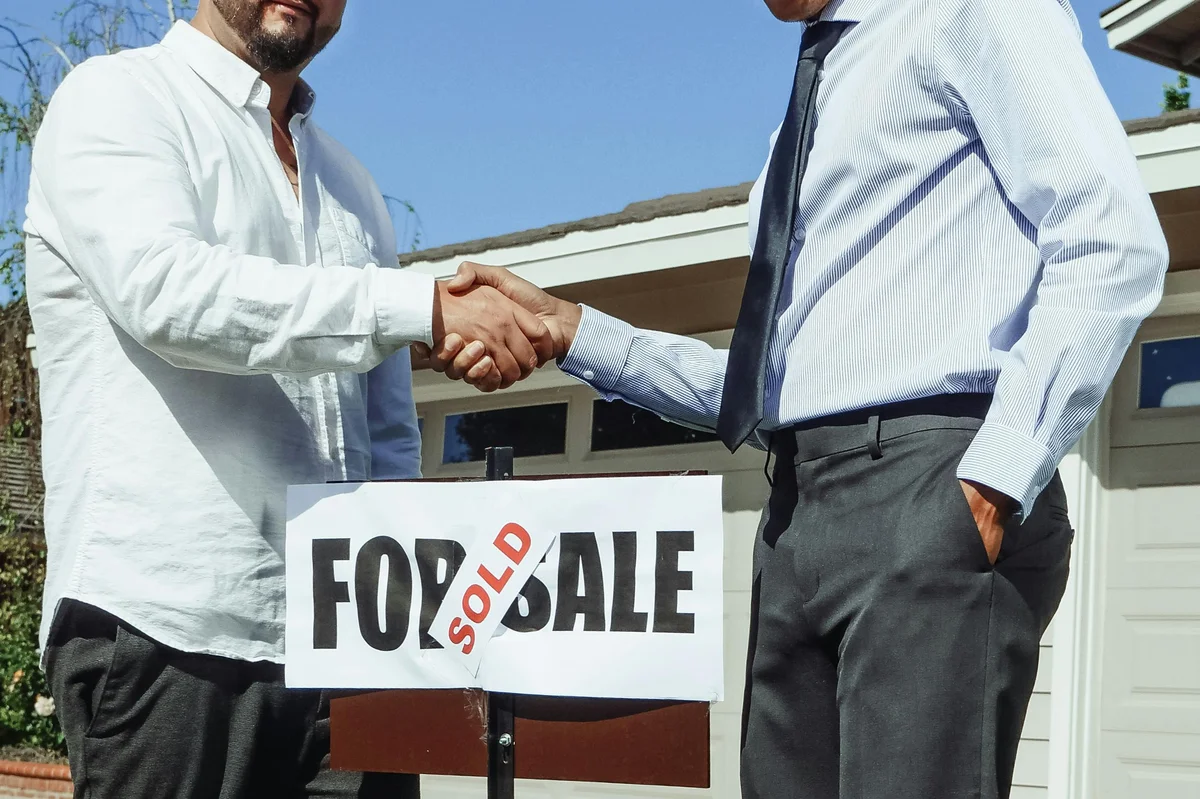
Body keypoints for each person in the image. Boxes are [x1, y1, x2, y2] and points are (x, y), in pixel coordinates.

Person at [424, 0, 1170, 795]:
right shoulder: (816, 95)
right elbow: (777, 385)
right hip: (797, 510)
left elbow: (1110, 240)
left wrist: (994, 479)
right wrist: (572, 330)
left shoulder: (965, 8)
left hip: (930, 490)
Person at [24, 1, 550, 796]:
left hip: (351, 647)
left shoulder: (351, 183)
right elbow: (167, 296)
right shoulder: (117, 98)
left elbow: (387, 433)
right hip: (166, 629)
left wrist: (402, 622)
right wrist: (420, 307)